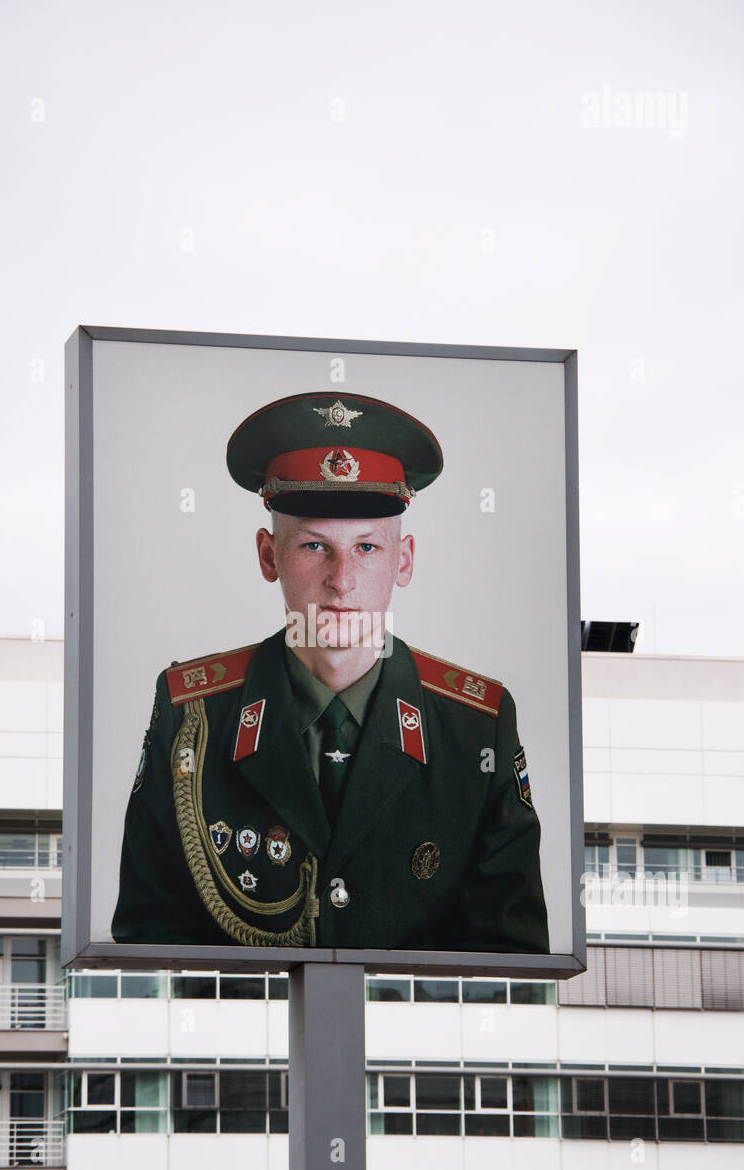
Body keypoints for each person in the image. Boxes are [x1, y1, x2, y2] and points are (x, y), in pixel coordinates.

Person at [111, 391, 549, 953]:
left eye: (367, 547)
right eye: (315, 545)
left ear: (405, 559)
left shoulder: (475, 727)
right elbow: (148, 948)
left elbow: (511, 965)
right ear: (269, 556)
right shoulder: (192, 714)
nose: (342, 580)